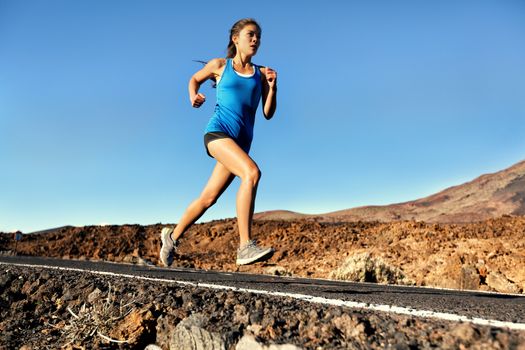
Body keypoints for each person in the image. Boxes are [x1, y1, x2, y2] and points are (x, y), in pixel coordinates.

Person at [160, 18, 278, 267]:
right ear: (236, 39)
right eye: (250, 35)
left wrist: (273, 88)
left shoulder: (261, 73)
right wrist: (193, 95)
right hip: (218, 133)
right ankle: (245, 246)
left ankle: (171, 237)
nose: (256, 40)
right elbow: (194, 79)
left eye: (259, 36)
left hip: (240, 144)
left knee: (208, 198)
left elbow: (268, 113)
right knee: (252, 173)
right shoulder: (220, 65)